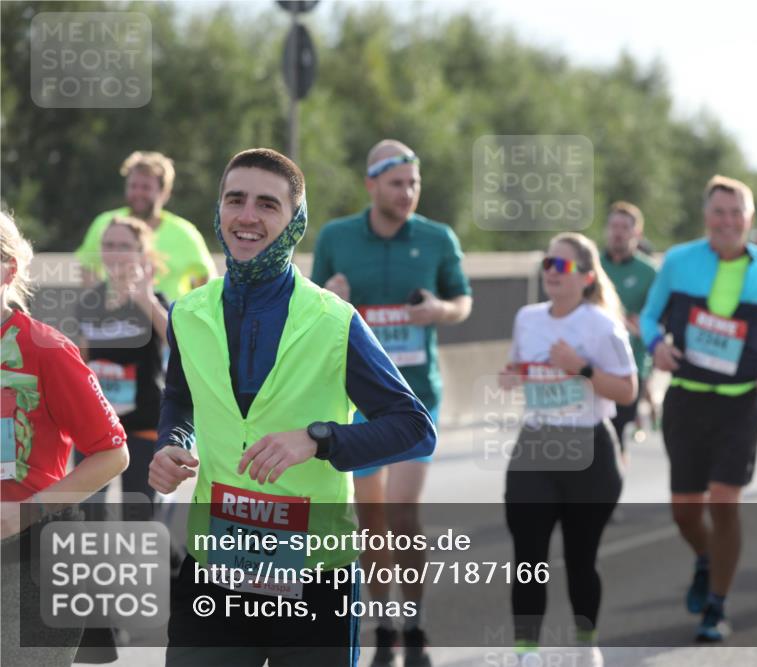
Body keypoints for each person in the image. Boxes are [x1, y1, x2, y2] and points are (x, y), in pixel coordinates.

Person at [148, 148, 435, 667]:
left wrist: (320, 438)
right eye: (235, 200)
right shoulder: (187, 313)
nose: (248, 217)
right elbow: (179, 398)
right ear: (218, 211)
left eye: (268, 204)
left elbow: (415, 428)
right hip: (215, 568)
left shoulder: (333, 321)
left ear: (294, 222)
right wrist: (175, 442)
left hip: (314, 576)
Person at [311, 139, 472, 667]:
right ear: (371, 184)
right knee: (370, 515)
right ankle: (383, 624)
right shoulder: (336, 237)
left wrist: (441, 310)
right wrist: (330, 291)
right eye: (397, 183)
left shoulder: (436, 238)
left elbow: (462, 301)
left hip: (417, 394)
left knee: (403, 510)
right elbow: (310, 306)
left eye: (414, 183)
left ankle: (416, 621)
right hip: (356, 396)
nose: (408, 193)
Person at [639, 175, 757, 642]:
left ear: (750, 220)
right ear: (706, 216)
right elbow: (651, 315)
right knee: (685, 512)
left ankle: (716, 606)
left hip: (741, 403)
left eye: (737, 214)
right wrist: (655, 344)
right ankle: (705, 557)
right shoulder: (678, 262)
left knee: (724, 500)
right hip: (687, 397)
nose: (728, 221)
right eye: (719, 212)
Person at [499, 232, 636, 667]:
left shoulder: (601, 325)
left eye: (562, 266)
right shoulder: (527, 317)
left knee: (581, 561)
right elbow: (522, 366)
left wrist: (581, 368)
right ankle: (526, 653)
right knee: (528, 561)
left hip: (588, 452)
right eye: (547, 264)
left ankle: (585, 642)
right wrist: (513, 375)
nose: (551, 273)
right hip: (536, 447)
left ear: (587, 276)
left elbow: (628, 390)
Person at [1, 210, 130, 667]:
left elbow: (113, 453)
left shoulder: (47, 349)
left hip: (33, 553)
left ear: (9, 270)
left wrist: (23, 515)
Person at [76, 216, 168, 503]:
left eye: (124, 245)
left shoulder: (153, 299)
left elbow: (179, 346)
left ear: (141, 253)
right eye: (109, 244)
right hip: (96, 422)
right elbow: (80, 359)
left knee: (139, 515)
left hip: (144, 420)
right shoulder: (88, 302)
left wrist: (146, 300)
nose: (115, 252)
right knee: (88, 515)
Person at [75, 151, 216, 302]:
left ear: (164, 192)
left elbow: (205, 278)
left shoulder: (185, 233)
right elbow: (87, 268)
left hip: (167, 321)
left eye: (146, 187)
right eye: (133, 186)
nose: (138, 193)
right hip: (115, 321)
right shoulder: (105, 223)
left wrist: (186, 312)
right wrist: (100, 304)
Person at [600, 201, 658, 451]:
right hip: (592, 362)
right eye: (613, 226)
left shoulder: (649, 272)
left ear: (637, 233)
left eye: (625, 227)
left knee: (617, 436)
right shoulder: (590, 265)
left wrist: (639, 322)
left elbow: (659, 317)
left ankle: (614, 482)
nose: (618, 232)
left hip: (630, 364)